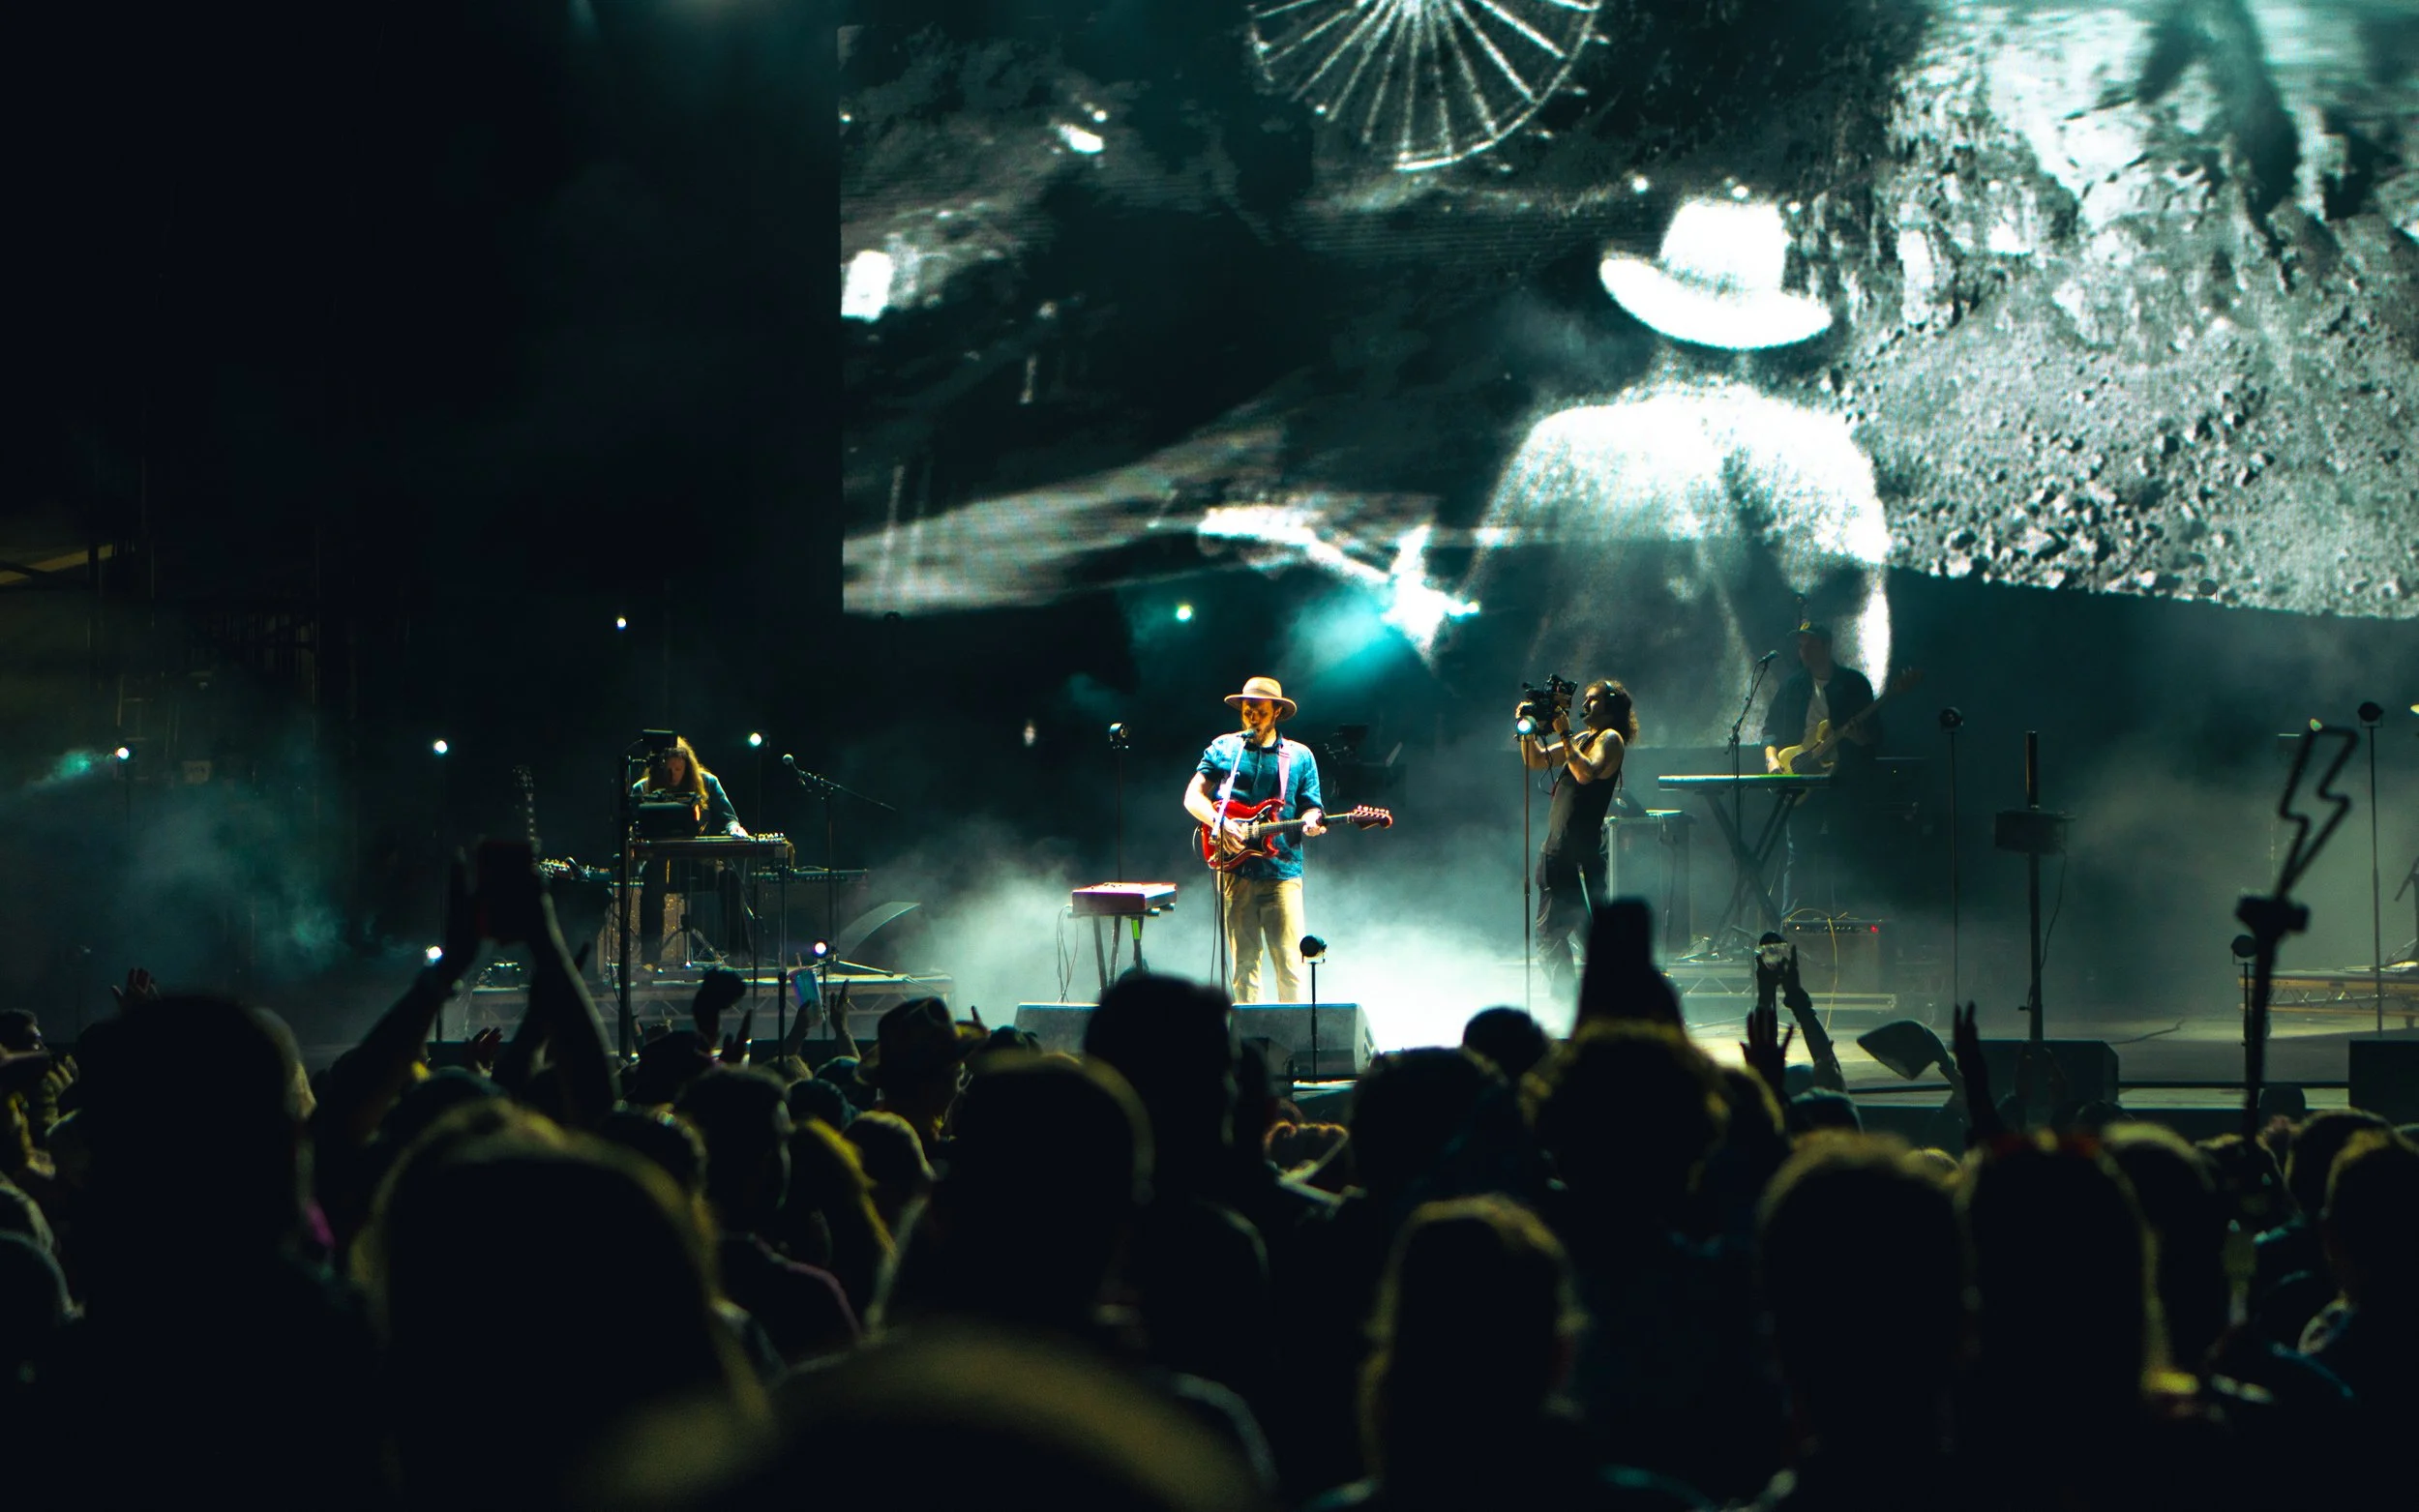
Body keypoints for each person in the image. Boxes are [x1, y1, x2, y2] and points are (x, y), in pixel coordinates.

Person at [1182, 676, 1326, 1004]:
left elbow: (1311, 806)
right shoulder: (1225, 748)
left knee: (1290, 963)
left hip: (1282, 872)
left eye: (1259, 711)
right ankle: (1249, 1046)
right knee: (1244, 966)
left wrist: (1313, 821)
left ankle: (1294, 1044)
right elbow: (1193, 796)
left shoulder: (1299, 756)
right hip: (1235, 873)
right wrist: (1219, 821)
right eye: (1247, 711)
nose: (1252, 718)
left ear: (1276, 712)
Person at [1519, 680, 1634, 996]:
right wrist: (1526, 732)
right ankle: (1582, 1004)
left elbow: (1586, 773)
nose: (1585, 705)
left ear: (1612, 706)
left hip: (1579, 858)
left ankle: (1588, 1006)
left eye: (1593, 700)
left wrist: (1565, 733)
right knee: (1557, 936)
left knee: (1583, 937)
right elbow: (1536, 760)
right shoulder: (1584, 738)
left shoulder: (1610, 739)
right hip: (1556, 853)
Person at [1760, 623, 1879, 914]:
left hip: (1842, 782)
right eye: (1800, 646)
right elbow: (1769, 729)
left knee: (1845, 851)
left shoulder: (1854, 685)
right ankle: (1792, 927)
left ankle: (1849, 925)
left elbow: (1875, 738)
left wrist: (1858, 737)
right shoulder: (1792, 686)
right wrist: (1773, 761)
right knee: (1798, 854)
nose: (1803, 651)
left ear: (1827, 646)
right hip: (1800, 778)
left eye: (1809, 645)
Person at [631, 735, 751, 967]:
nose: (674, 775)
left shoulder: (707, 782)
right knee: (652, 883)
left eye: (679, 769)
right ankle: (650, 960)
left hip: (699, 863)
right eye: (669, 770)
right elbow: (633, 826)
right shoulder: (643, 787)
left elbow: (729, 817)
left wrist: (734, 828)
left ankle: (740, 956)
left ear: (687, 767)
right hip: (661, 864)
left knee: (729, 878)